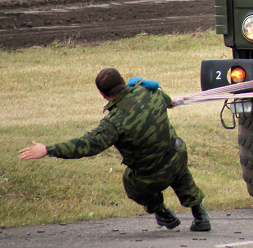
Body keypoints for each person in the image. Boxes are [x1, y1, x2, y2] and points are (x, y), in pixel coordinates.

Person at [18, 68, 211, 232]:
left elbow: (86, 145)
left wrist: (48, 149)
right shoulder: (150, 92)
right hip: (177, 154)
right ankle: (200, 214)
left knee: (132, 180)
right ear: (124, 81)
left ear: (102, 94)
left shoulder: (114, 122)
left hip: (151, 175)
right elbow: (167, 99)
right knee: (178, 168)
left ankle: (161, 211)